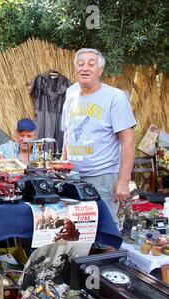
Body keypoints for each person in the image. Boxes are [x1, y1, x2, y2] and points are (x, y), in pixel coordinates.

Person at [61, 48, 136, 225]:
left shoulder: (114, 97)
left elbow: (128, 141)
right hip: (72, 178)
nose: (85, 68)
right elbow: (68, 133)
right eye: (80, 64)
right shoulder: (70, 94)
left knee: (105, 232)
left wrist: (123, 181)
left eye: (91, 64)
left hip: (102, 180)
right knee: (76, 231)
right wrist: (62, 166)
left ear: (100, 70)